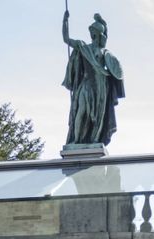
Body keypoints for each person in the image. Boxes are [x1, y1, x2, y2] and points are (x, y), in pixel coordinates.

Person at [61, 10, 125, 148]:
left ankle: (96, 139)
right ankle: (76, 140)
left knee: (99, 116)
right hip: (86, 86)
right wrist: (65, 21)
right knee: (81, 111)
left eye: (94, 31)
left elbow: (115, 70)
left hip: (101, 86)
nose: (92, 34)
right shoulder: (83, 47)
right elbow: (66, 39)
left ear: (97, 34)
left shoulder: (105, 53)